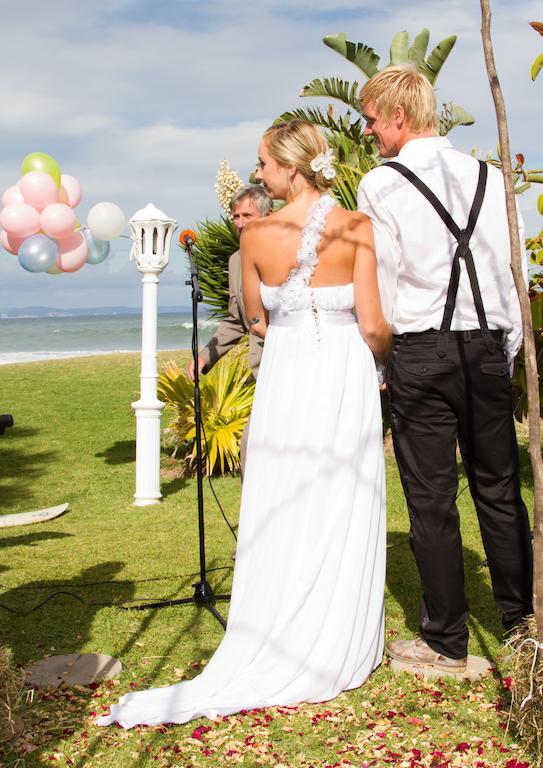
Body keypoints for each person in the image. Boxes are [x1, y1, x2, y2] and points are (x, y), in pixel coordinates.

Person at [96, 119, 390, 729]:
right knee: (342, 495)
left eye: (262, 163)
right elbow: (372, 326)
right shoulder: (358, 227)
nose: (258, 174)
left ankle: (280, 624)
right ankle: (332, 630)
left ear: (289, 167)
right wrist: (381, 357)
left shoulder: (255, 238)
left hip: (286, 378)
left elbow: (256, 321)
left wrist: (293, 327)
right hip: (344, 375)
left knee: (281, 496)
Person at [357, 64, 533, 673]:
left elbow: (382, 276)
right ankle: (523, 624)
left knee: (431, 499)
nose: (371, 132)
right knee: (500, 489)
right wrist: (502, 351)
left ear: (398, 117)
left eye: (373, 120)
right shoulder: (486, 175)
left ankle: (445, 639)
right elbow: (511, 270)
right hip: (486, 346)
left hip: (422, 352)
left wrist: (384, 358)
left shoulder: (381, 184)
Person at [188, 184, 273, 474]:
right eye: (235, 216)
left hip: (293, 368)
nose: (239, 223)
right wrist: (205, 356)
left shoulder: (289, 251)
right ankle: (256, 519)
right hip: (261, 373)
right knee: (252, 450)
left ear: (268, 214)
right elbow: (238, 320)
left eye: (246, 215)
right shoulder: (236, 261)